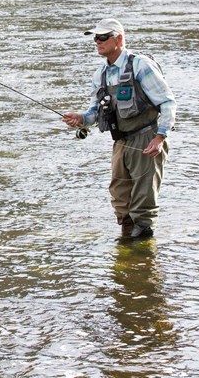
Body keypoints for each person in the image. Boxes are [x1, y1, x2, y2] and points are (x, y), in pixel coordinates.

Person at [63, 18, 176, 240]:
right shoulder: (100, 74)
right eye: (95, 37)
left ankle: (142, 253)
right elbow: (94, 113)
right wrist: (80, 119)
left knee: (143, 200)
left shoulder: (140, 65)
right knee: (120, 196)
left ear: (119, 39)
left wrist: (160, 137)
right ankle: (127, 242)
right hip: (120, 142)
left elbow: (167, 103)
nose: (97, 41)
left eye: (103, 37)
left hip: (147, 138)